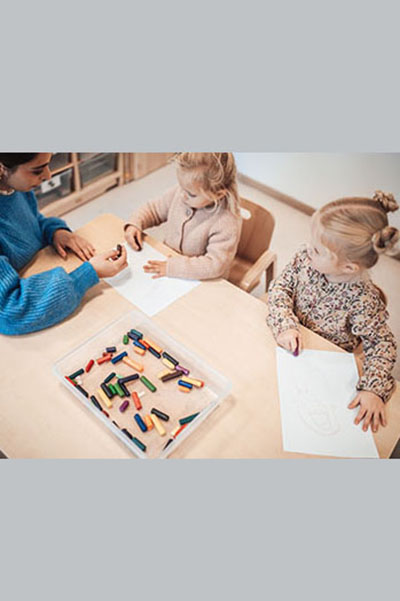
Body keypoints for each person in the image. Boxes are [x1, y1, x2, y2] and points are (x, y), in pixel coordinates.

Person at [266, 190, 398, 433]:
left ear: (348, 267)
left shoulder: (363, 301)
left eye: (317, 250)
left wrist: (373, 389)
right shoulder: (304, 259)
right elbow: (280, 288)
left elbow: (382, 344)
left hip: (321, 367)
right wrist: (285, 324)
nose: (308, 249)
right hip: (284, 346)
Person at [0, 153, 127, 335]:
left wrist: (55, 231)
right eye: (37, 170)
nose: (48, 175)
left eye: (48, 164)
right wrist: (88, 274)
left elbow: (33, 220)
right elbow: (10, 312)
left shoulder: (14, 186)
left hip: (36, 269)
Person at [124, 153, 242, 280]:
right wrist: (136, 223)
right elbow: (154, 210)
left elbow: (215, 265)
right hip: (169, 264)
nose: (182, 195)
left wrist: (173, 267)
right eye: (181, 188)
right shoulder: (181, 192)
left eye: (191, 194)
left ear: (218, 194)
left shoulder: (226, 222)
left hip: (202, 280)